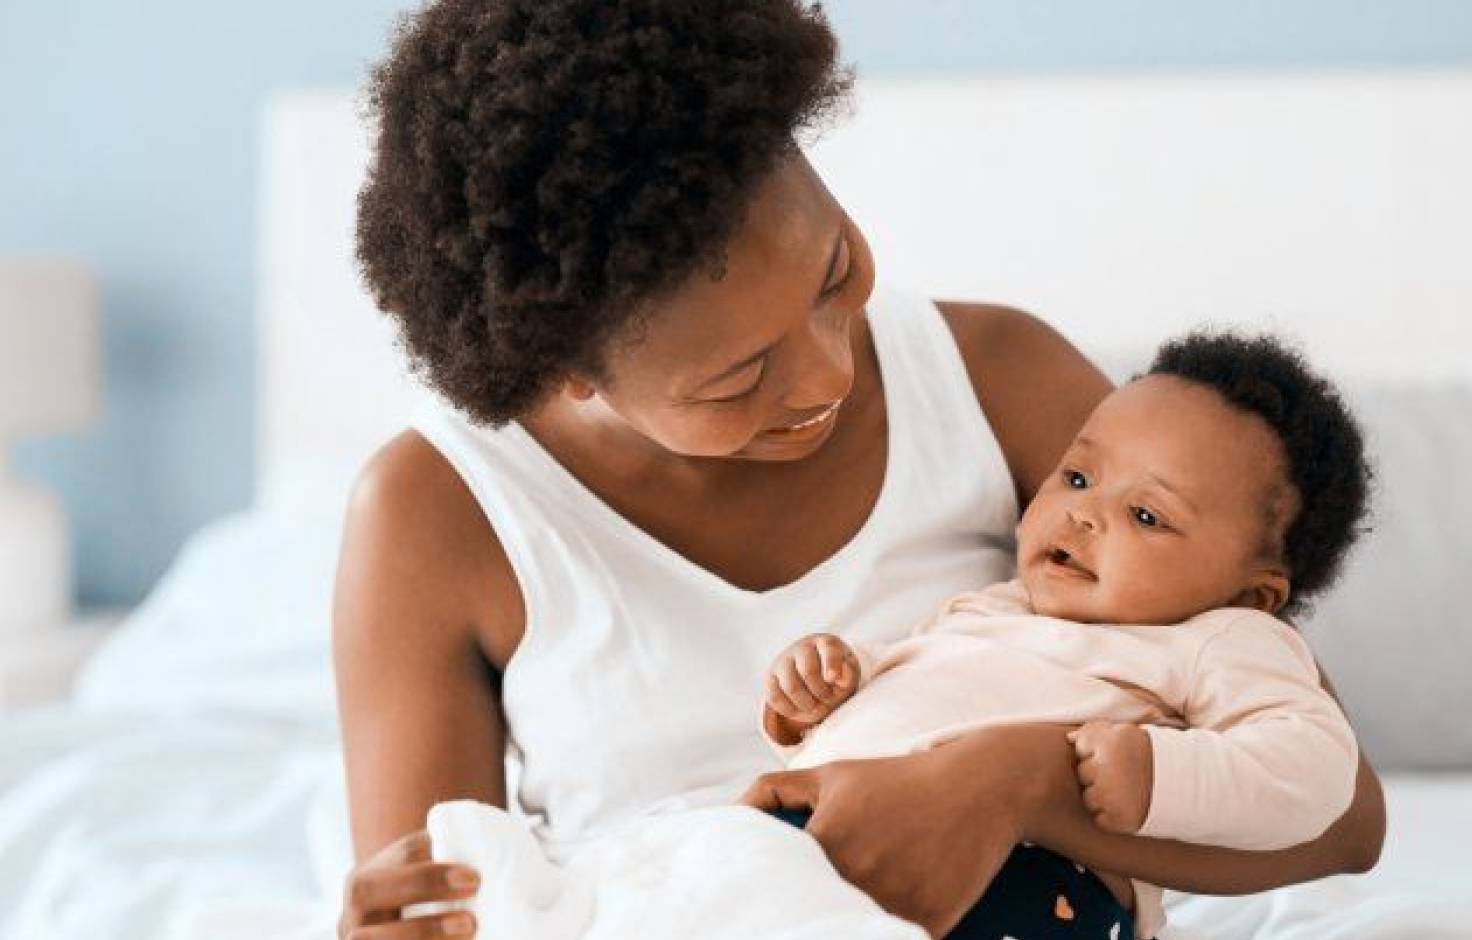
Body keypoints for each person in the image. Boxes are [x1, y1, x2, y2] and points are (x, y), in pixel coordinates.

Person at [332, 2, 1388, 939]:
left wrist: (1011, 785)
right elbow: (451, 896)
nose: (830, 373)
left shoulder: (998, 377)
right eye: (739, 375)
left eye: (835, 269)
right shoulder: (436, 515)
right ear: (565, 371)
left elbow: (1342, 815)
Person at [760, 331, 1372, 939]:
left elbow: (1314, 770)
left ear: (1249, 594)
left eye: (1146, 516)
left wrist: (1160, 773)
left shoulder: (1219, 638)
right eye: (1078, 477)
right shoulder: (994, 607)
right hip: (813, 826)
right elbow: (923, 691)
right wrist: (833, 682)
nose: (1083, 512)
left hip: (1026, 874)